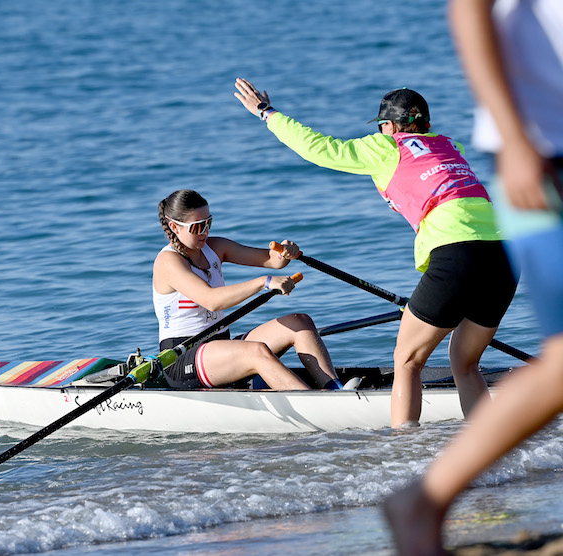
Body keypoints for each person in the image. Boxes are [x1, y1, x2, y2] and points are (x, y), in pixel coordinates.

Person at [384, 0, 563, 553]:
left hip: (489, 226)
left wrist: (270, 116)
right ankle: (422, 492)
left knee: (428, 360)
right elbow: (470, 10)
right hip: (544, 160)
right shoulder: (439, 146)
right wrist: (516, 140)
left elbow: (319, 147)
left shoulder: (403, 147)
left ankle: (420, 488)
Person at [234, 78, 517, 427]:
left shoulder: (387, 147)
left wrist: (266, 113)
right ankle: (493, 446)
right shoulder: (448, 145)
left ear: (392, 126)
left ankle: (402, 454)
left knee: (407, 360)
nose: (382, 131)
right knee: (464, 360)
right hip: (504, 257)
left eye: (383, 125)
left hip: (457, 254)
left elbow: (318, 148)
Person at [153, 189, 342, 390]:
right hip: (182, 358)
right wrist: (264, 282)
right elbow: (211, 300)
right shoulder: (168, 261)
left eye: (209, 222)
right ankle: (314, 405)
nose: (205, 231)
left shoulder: (215, 246)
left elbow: (271, 260)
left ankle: (335, 389)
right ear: (174, 226)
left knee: (300, 322)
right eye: (197, 227)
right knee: (256, 352)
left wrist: (286, 253)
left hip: (219, 346)